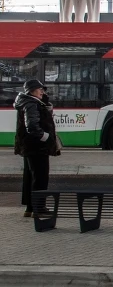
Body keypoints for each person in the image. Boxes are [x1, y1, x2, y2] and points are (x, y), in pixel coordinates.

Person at [14, 79, 58, 217]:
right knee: (40, 177)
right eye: (40, 89)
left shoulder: (29, 102)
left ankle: (30, 208)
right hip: (36, 147)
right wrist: (45, 137)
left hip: (29, 146)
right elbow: (32, 125)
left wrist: (45, 102)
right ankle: (39, 208)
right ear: (32, 90)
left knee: (30, 177)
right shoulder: (31, 103)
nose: (42, 91)